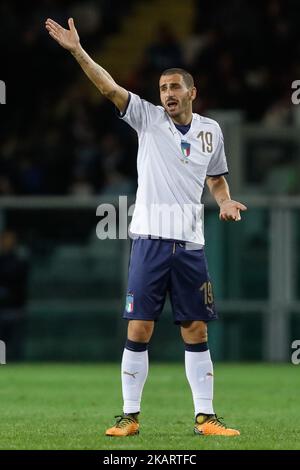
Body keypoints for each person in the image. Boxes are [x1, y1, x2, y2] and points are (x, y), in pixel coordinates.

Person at [45, 18, 247, 437]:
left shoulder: (212, 131)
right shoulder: (147, 119)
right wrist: (77, 51)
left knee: (196, 327)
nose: (168, 95)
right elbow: (108, 87)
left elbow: (216, 177)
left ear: (191, 92)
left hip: (190, 244)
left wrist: (225, 200)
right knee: (139, 326)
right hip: (151, 241)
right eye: (162, 89)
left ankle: (205, 418)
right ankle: (129, 417)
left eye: (175, 87)